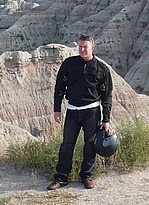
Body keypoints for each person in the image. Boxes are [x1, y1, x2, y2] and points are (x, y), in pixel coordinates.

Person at [47, 34, 113, 190]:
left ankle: (87, 176)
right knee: (66, 145)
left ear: (92, 47)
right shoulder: (69, 64)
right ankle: (61, 177)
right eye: (80, 46)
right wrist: (57, 109)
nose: (82, 50)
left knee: (90, 146)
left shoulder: (102, 69)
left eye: (86, 47)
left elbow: (107, 95)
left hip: (92, 111)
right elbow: (59, 87)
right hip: (72, 110)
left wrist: (106, 118)